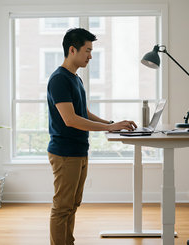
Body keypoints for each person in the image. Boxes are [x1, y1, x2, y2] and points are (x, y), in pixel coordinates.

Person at [47, 28, 137, 245]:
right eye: (87, 50)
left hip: (78, 150)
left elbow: (83, 113)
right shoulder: (59, 79)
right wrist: (110, 127)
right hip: (65, 152)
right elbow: (70, 120)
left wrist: (111, 124)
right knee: (62, 207)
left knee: (73, 204)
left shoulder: (75, 79)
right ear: (72, 49)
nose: (90, 56)